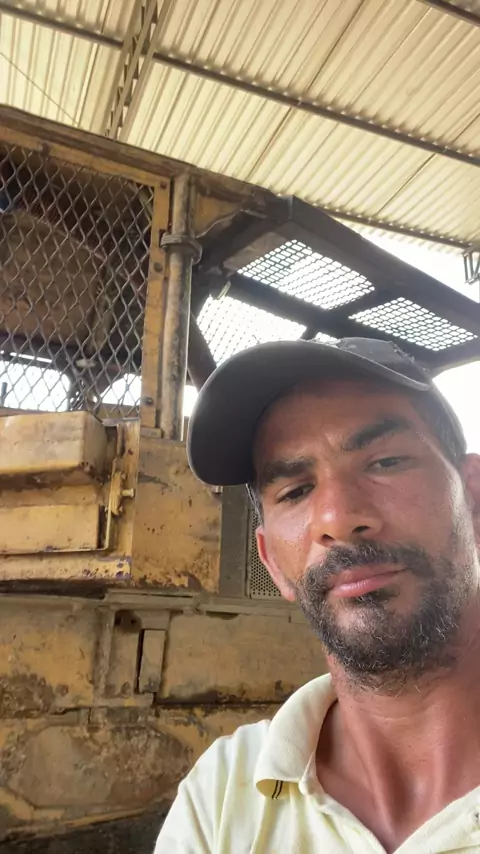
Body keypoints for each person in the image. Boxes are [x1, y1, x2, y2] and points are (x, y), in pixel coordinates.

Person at [155, 337, 480, 854]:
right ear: (273, 565)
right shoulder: (221, 796)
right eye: (295, 491)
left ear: (474, 501)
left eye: (385, 462)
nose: (336, 518)